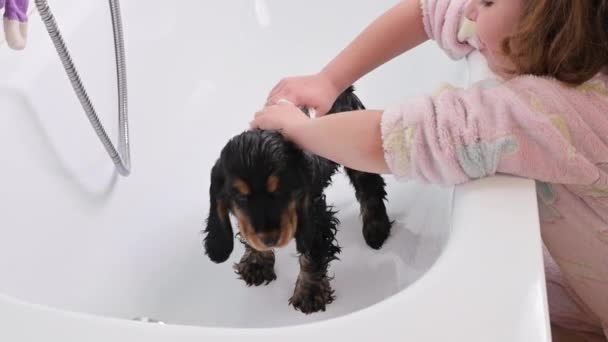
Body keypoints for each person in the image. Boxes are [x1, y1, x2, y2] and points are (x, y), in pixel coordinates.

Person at [249, 0, 608, 340]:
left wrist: (301, 130)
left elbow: (402, 139)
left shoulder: (554, 113)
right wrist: (329, 79)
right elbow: (427, 10)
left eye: (486, 2)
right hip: (582, 278)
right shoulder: (556, 28)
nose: (469, 8)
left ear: (545, 24)